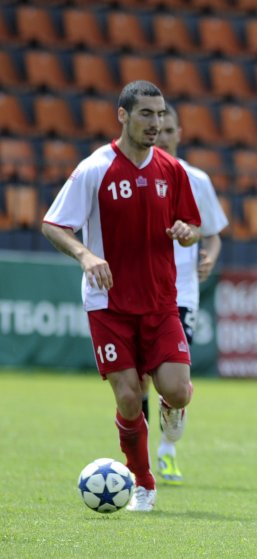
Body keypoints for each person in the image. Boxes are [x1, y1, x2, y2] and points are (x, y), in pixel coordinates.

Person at [41, 80, 201, 512]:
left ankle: (174, 411)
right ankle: (144, 484)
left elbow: (191, 226)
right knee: (129, 397)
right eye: (146, 114)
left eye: (161, 114)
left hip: (160, 301)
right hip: (108, 303)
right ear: (123, 116)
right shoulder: (95, 169)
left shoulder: (172, 169)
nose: (156, 123)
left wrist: (187, 233)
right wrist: (85, 255)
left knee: (179, 391)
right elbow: (53, 224)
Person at [139, 103, 229, 486]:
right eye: (159, 128)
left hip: (182, 293)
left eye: (171, 129)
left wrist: (208, 255)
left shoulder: (195, 179)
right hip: (140, 288)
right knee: (139, 377)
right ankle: (141, 458)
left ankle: (169, 447)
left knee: (173, 386)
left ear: (179, 134)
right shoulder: (133, 177)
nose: (164, 135)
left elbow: (213, 233)